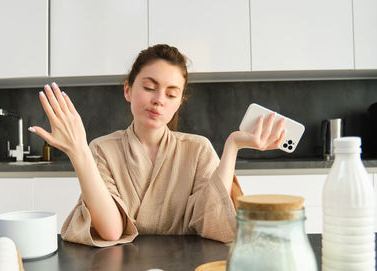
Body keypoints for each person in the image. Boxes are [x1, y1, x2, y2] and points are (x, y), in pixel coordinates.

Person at [29, 44, 285, 247]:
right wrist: (79, 152)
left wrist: (232, 146)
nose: (159, 100)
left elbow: (215, 224)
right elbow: (111, 231)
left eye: (171, 94)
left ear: (179, 102)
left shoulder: (197, 149)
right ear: (128, 90)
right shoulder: (102, 149)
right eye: (150, 87)